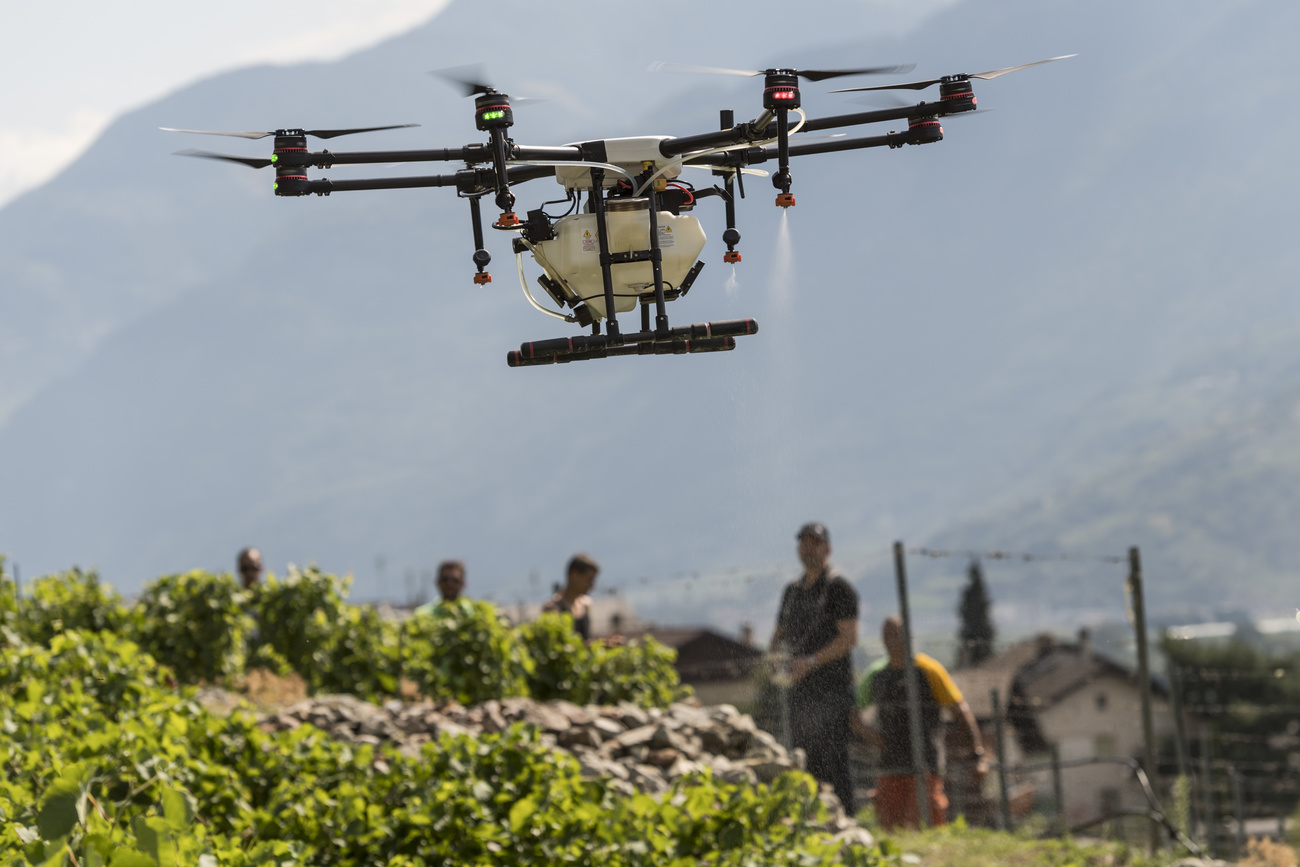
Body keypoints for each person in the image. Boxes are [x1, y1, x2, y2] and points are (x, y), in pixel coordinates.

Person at [854, 615, 987, 830]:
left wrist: (977, 755)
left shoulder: (929, 670)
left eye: (896, 634)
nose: (891, 640)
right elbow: (853, 714)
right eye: (887, 635)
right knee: (890, 830)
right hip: (889, 766)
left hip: (925, 763)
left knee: (927, 826)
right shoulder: (876, 675)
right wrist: (876, 739)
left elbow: (960, 712)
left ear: (908, 636)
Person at [771, 522, 859, 814]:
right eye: (804, 543)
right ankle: (813, 823)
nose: (808, 549)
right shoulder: (792, 591)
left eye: (815, 543)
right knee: (804, 761)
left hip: (832, 691)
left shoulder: (838, 588)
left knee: (834, 760)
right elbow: (779, 633)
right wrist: (773, 663)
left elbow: (848, 638)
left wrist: (810, 662)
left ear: (827, 549)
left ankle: (846, 823)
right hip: (800, 694)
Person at [542, 553, 599, 640]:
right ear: (574, 575)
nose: (591, 585)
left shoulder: (587, 604)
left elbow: (588, 640)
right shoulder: (553, 608)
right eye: (589, 580)